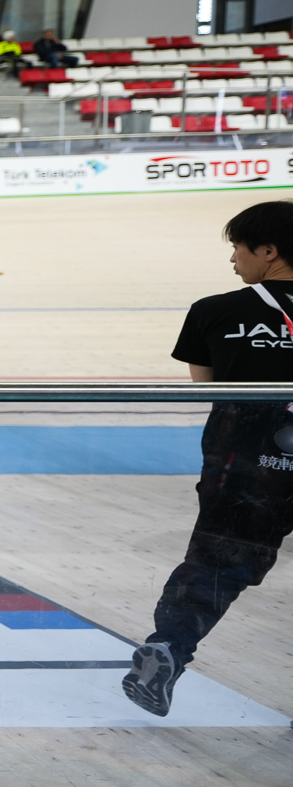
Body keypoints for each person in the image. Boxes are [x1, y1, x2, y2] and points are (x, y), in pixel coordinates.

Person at [125, 201, 293, 718]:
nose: (233, 260)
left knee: (219, 561)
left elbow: (210, 389)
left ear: (268, 252)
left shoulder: (214, 311)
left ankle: (170, 646)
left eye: (238, 248)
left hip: (245, 459)